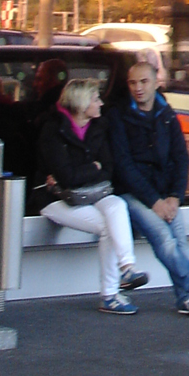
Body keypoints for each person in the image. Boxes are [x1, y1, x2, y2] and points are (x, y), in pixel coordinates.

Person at [107, 51, 189, 317]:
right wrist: (154, 201)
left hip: (165, 193)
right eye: (133, 83)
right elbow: (124, 166)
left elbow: (180, 157)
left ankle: (185, 299)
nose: (138, 88)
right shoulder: (118, 115)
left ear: (156, 82)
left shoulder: (166, 113)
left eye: (143, 82)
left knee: (180, 240)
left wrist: (174, 197)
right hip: (132, 194)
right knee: (164, 239)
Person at [37, 75, 148, 314]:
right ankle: (110, 294)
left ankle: (128, 268)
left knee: (117, 206)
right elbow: (66, 178)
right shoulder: (53, 129)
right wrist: (92, 167)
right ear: (81, 103)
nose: (101, 104)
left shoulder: (99, 126)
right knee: (109, 227)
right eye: (96, 99)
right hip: (57, 198)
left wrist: (85, 172)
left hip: (95, 192)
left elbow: (108, 168)